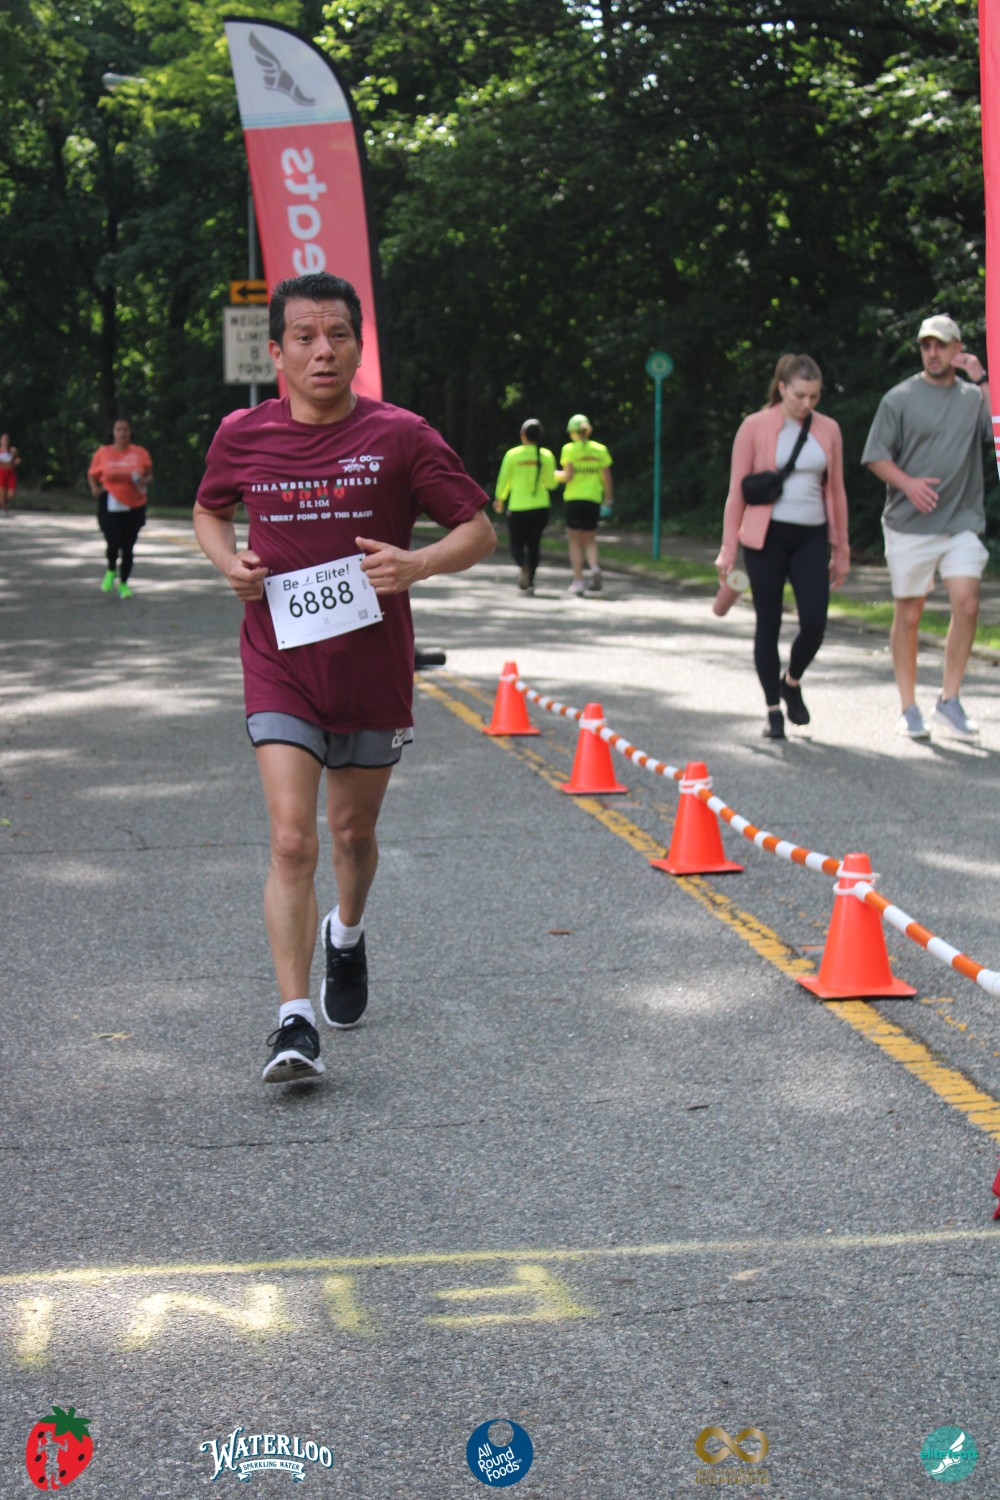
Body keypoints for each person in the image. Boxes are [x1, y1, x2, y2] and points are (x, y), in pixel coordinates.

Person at [193, 271, 495, 1085]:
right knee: (292, 839)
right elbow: (209, 509)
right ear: (278, 351)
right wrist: (229, 563)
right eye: (304, 337)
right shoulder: (242, 434)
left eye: (337, 336)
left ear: (359, 347)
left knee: (352, 834)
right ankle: (293, 1022)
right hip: (280, 663)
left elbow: (477, 530)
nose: (322, 351)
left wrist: (418, 563)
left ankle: (347, 933)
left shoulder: (402, 435)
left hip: (372, 666)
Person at [862, 313, 992, 740]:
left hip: (961, 521)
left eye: (941, 345)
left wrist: (982, 377)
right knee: (910, 613)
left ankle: (949, 700)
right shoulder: (899, 398)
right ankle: (909, 706)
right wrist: (908, 484)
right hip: (909, 525)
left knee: (966, 603)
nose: (933, 353)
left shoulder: (972, 397)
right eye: (926, 345)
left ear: (958, 349)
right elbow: (876, 456)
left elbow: (996, 431)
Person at [716, 354, 850, 740]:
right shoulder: (754, 426)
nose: (807, 403)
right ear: (781, 388)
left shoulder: (828, 429)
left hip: (811, 536)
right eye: (799, 395)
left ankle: (791, 681)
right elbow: (736, 491)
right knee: (768, 623)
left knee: (815, 622)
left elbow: (836, 490)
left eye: (814, 396)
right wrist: (728, 548)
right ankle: (773, 709)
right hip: (765, 537)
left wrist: (841, 549)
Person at [87, 419, 153, 599]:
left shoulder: (140, 453)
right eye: (119, 429)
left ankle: (123, 584)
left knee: (128, 546)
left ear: (130, 433)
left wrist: (143, 480)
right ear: (113, 433)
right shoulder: (103, 452)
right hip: (110, 501)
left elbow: (149, 476)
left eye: (126, 429)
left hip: (135, 504)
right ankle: (111, 569)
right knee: (113, 542)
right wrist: (94, 487)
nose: (123, 433)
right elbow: (92, 474)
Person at [493, 418, 556, 595]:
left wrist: (500, 499)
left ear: (522, 435)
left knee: (516, 544)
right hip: (541, 507)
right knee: (534, 544)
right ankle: (531, 582)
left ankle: (522, 565)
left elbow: (504, 479)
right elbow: (551, 484)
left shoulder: (513, 455)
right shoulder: (546, 455)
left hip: (518, 507)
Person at [557, 414, 614, 594]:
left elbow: (568, 476)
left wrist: (552, 475)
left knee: (574, 541)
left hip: (574, 499)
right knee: (590, 539)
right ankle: (595, 568)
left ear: (572, 432)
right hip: (593, 499)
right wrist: (608, 499)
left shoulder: (569, 449)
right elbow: (607, 478)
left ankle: (578, 581)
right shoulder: (600, 449)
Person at [0, 433, 20, 515]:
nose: (5, 441)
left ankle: (3, 504)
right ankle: (4, 509)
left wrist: (16, 461)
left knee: (10, 494)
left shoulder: (12, 450)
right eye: (3, 439)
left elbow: (17, 459)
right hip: (1, 473)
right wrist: (9, 463)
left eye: (6, 440)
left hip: (10, 473)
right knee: (2, 492)